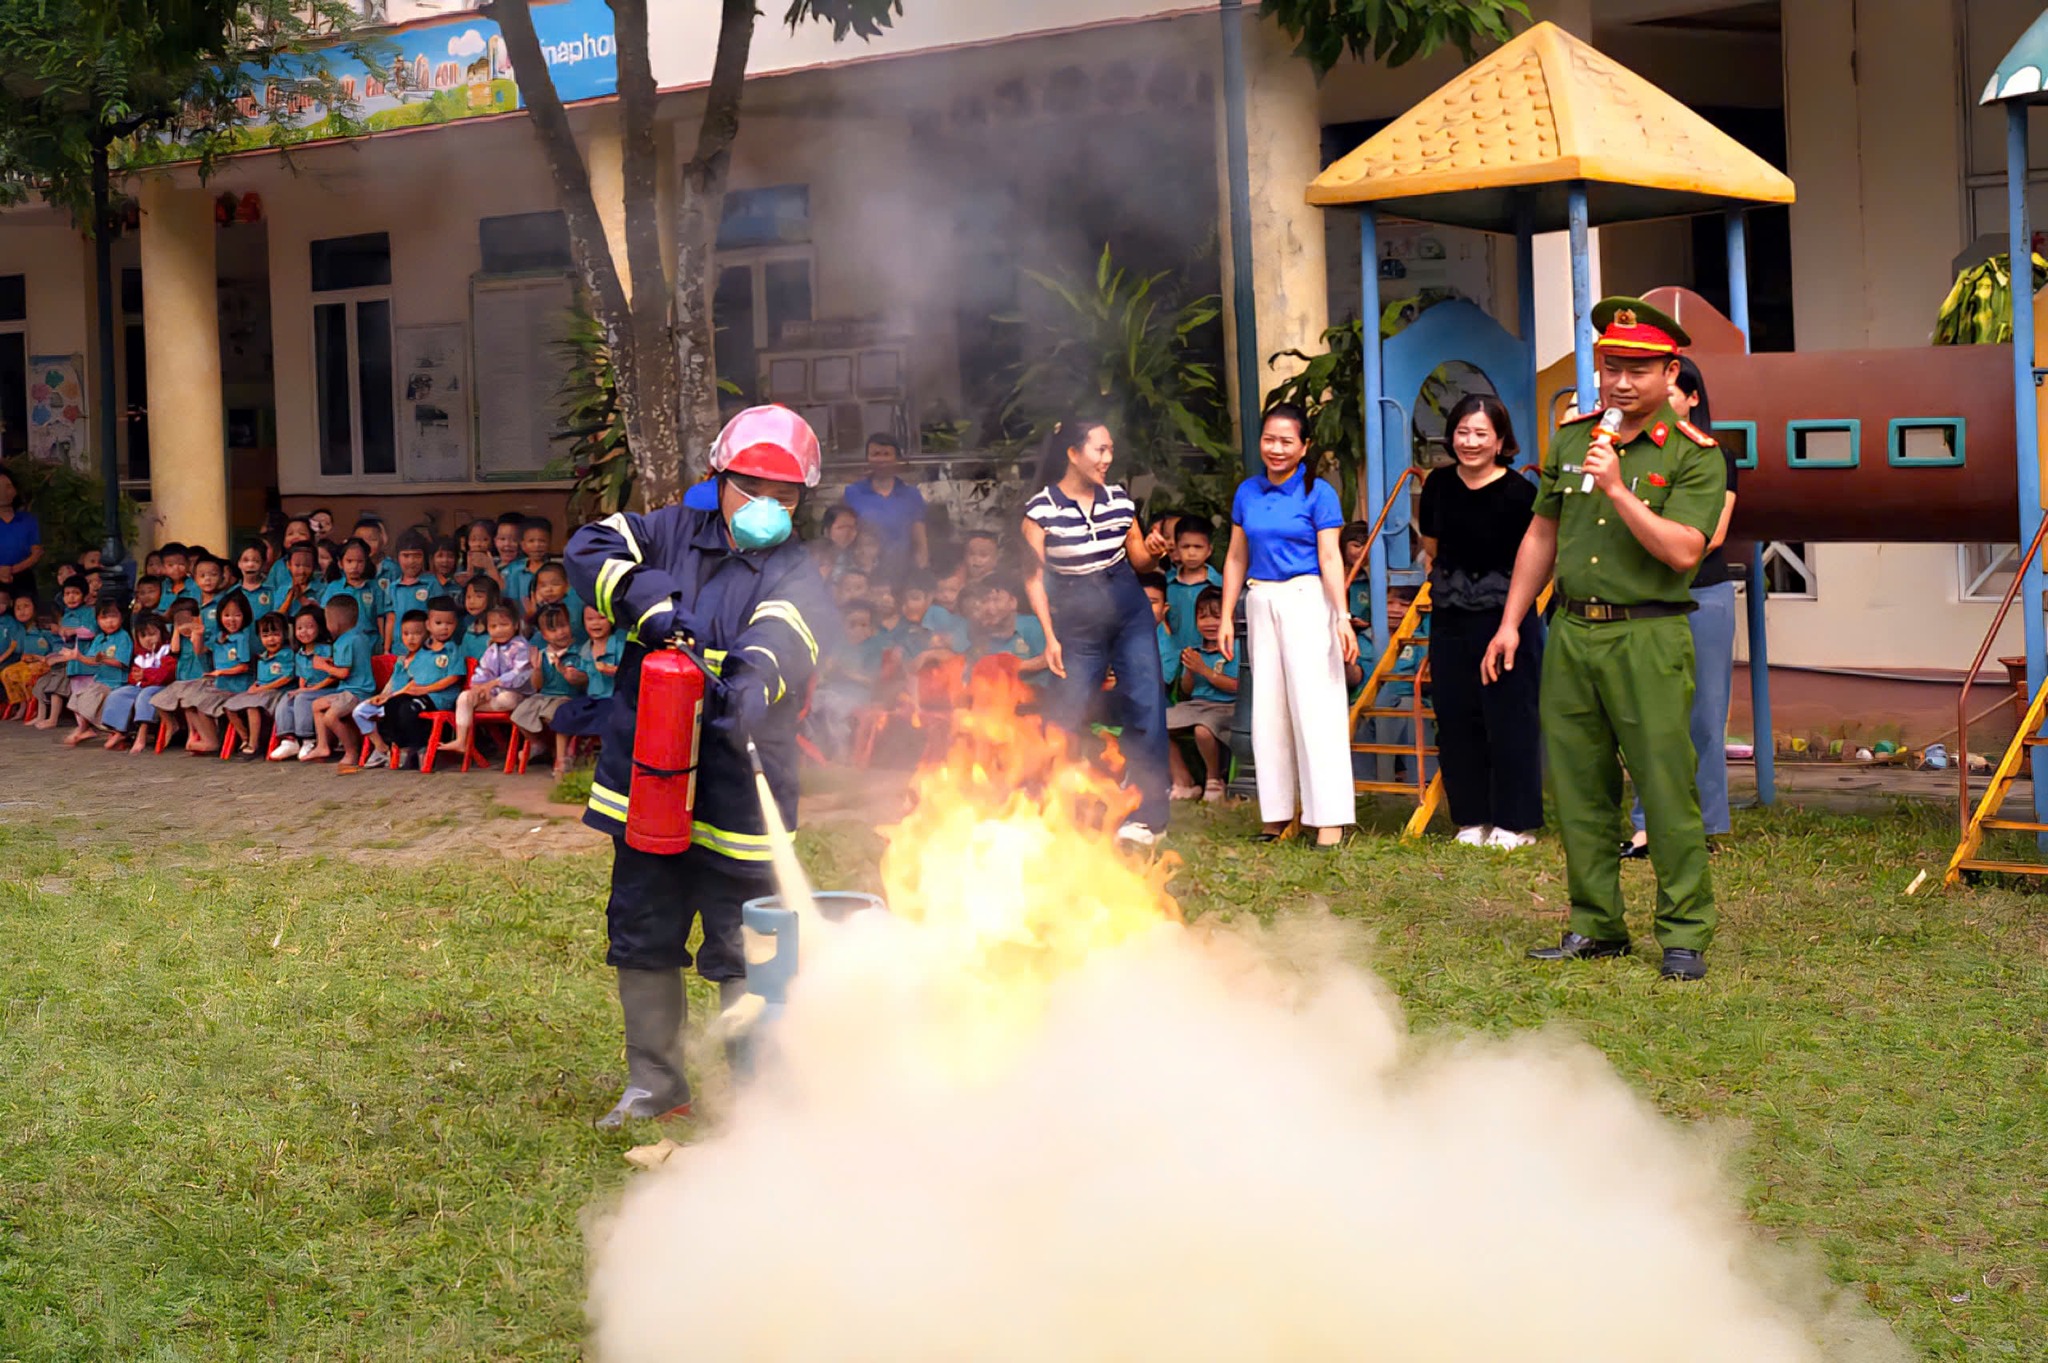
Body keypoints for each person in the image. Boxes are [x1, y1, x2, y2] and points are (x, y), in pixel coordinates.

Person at [566, 404, 833, 1129]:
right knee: (643, 925)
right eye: (754, 488)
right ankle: (655, 1086)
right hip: (652, 774)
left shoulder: (797, 570)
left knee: (745, 939)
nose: (769, 506)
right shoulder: (664, 531)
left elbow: (789, 632)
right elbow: (589, 547)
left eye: (786, 495)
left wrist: (753, 681)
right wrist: (643, 597)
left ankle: (757, 1100)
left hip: (741, 780)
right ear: (719, 479)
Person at [1482, 296, 1726, 982]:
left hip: (1647, 635)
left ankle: (1684, 932)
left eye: (1636, 370)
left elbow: (1685, 550)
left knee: (1665, 786)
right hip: (1571, 632)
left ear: (1670, 372)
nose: (1620, 382)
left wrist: (1619, 488)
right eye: (1610, 367)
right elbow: (1543, 532)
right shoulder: (1572, 438)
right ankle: (1596, 924)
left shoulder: (1695, 455)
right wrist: (1511, 621)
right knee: (1580, 788)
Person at [1019, 417, 1173, 846]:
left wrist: (1154, 552)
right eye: (1099, 450)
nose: (1108, 458)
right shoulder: (1040, 511)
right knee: (1065, 712)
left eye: (1110, 450)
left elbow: (1138, 560)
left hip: (1128, 609)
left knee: (1146, 705)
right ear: (1072, 453)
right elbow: (1033, 578)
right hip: (1077, 616)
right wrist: (1050, 637)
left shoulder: (1119, 499)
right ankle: (1052, 808)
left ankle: (1148, 817)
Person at [1218, 403, 1359, 848]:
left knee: (1316, 709)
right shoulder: (1248, 492)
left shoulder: (1319, 493)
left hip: (1306, 598)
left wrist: (1342, 616)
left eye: (1286, 441)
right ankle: (1275, 815)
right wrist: (1227, 614)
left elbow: (1330, 557)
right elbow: (1236, 556)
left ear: (1304, 446)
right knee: (1267, 711)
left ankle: (1329, 819)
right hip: (1260, 599)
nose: (1276, 449)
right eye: (1269, 439)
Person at [1624, 355, 1738, 860]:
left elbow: (1713, 533)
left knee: (1704, 717)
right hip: (1643, 596)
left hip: (1703, 594)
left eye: (1673, 392)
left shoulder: (1715, 456)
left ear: (1692, 398)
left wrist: (1660, 548)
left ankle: (1703, 825)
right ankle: (1646, 824)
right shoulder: (1634, 454)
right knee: (1648, 714)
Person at [1419, 393, 1543, 850]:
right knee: (1455, 714)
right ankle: (1470, 818)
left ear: (1501, 440)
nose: (1470, 442)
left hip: (1506, 613)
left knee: (1510, 716)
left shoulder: (1521, 493)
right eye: (1462, 432)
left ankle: (1514, 822)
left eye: (1481, 434)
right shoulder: (1438, 484)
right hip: (1450, 612)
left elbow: (1535, 559)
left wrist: (1510, 618)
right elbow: (1432, 545)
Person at [1166, 586, 1239, 802]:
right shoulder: (1195, 651)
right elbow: (1187, 690)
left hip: (1227, 706)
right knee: (1155, 725)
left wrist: (1204, 670)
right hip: (1197, 705)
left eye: (1217, 617)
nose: (1209, 623)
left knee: (1203, 730)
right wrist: (1190, 670)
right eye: (1203, 617)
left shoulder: (1236, 648)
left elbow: (1236, 686)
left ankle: (1214, 779)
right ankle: (1183, 780)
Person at [435, 602, 533, 762]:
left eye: (504, 625)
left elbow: (519, 674)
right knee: (465, 697)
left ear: (516, 625)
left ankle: (469, 710)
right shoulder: (491, 649)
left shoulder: (521, 646)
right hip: (492, 696)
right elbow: (483, 672)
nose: (499, 630)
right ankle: (461, 740)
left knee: (506, 698)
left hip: (517, 695)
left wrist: (494, 684)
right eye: (493, 626)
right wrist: (478, 688)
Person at [512, 602, 588, 775]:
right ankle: (538, 744)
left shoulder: (579, 652)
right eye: (553, 630)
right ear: (544, 635)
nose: (560, 632)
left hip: (568, 697)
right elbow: (537, 686)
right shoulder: (542, 654)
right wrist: (537, 670)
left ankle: (562, 756)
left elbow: (583, 680)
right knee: (519, 713)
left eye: (563, 625)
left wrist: (568, 673)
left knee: (555, 713)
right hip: (544, 696)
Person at [302, 595, 377, 763]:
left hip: (356, 693)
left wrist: (323, 666)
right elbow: (351, 664)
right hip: (353, 690)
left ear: (335, 623)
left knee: (330, 717)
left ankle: (351, 752)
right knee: (317, 705)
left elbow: (343, 674)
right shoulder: (360, 636)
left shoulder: (343, 642)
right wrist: (331, 663)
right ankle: (323, 745)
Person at [843, 433, 929, 575]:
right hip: (863, 572)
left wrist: (920, 573)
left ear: (897, 459)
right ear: (867, 459)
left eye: (886, 454)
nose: (881, 460)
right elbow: (845, 539)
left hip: (903, 572)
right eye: (875, 454)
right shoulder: (853, 493)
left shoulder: (911, 495)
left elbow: (920, 543)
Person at [61, 599, 133, 746]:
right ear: (97, 620)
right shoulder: (99, 638)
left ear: (122, 617)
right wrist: (78, 656)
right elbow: (93, 660)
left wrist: (104, 659)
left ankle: (112, 731)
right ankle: (84, 728)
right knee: (77, 697)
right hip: (101, 680)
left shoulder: (123, 637)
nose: (109, 622)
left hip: (116, 682)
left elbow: (121, 663)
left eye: (113, 617)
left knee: (91, 697)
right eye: (104, 618)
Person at [100, 611, 173, 753]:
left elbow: (166, 674)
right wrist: (138, 677)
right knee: (119, 694)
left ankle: (142, 733)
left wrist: (145, 675)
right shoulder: (141, 656)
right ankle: (119, 731)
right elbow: (133, 677)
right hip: (143, 686)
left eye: (152, 634)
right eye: (143, 636)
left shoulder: (167, 651)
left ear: (162, 633)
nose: (148, 639)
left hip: (163, 687)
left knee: (146, 695)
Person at [267, 606, 334, 761]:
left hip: (328, 689)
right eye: (299, 628)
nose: (304, 632)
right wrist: (301, 689)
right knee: (288, 697)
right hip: (310, 691)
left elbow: (333, 677)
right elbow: (302, 677)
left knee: (302, 698)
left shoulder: (326, 650)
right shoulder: (299, 654)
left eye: (310, 627)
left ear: (320, 627)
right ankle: (289, 740)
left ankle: (308, 740)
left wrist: (310, 690)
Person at [1164, 519, 1223, 653]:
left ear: (1209, 550)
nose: (1191, 553)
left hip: (1211, 659)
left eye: (1198, 547)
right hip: (1172, 658)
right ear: (1176, 549)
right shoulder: (1166, 584)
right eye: (1185, 546)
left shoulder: (1221, 585)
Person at [0, 467, 43, 600]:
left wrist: (12, 570)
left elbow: (36, 553)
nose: (3, 492)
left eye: (8, 487)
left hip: (23, 578)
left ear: (15, 490)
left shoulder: (28, 520)